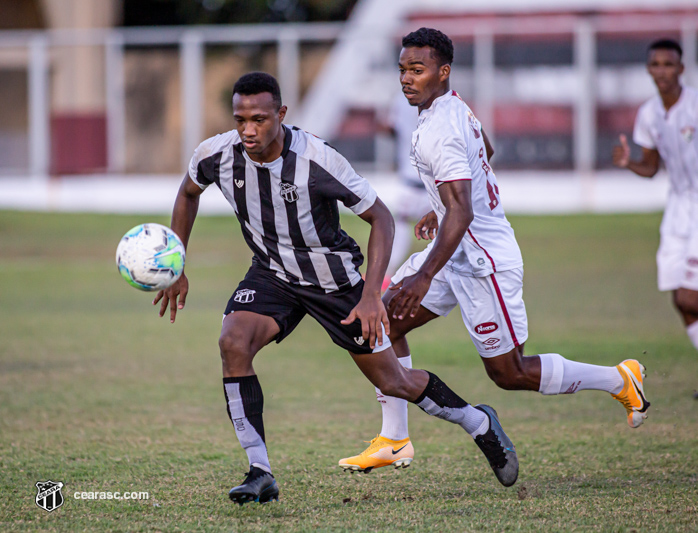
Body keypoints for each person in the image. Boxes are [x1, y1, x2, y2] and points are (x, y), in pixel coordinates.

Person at [153, 72, 520, 505]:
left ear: (281, 115)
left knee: (395, 380)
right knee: (232, 342)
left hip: (335, 282)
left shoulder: (316, 159)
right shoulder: (216, 155)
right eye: (240, 120)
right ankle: (260, 470)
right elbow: (188, 192)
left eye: (259, 119)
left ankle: (477, 421)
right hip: (271, 274)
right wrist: (176, 262)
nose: (249, 130)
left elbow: (381, 218)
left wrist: (369, 297)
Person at [339, 28, 650, 474]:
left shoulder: (441, 128)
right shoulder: (450, 107)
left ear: (443, 72)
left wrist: (425, 270)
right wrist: (439, 207)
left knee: (510, 373)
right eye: (403, 70)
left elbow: (462, 213)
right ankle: (394, 438)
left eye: (418, 70)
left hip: (484, 263)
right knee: (380, 322)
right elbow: (486, 149)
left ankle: (620, 378)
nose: (407, 79)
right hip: (456, 252)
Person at [612, 39, 698, 398]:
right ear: (649, 69)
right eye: (656, 64)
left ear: (681, 68)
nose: (662, 70)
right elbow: (650, 167)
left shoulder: (694, 105)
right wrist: (627, 163)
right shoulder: (649, 113)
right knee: (680, 300)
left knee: (690, 295)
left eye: (669, 64)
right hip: (678, 208)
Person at [381, 92, 432, 290]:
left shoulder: (401, 100)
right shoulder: (438, 99)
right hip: (433, 181)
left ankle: (389, 273)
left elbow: (388, 126)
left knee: (401, 222)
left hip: (412, 179)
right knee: (446, 227)